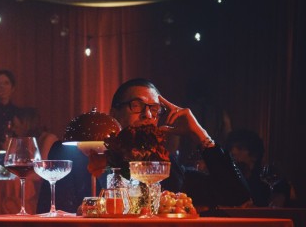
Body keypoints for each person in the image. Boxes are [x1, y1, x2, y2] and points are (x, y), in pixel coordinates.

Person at [92, 78, 251, 211]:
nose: (147, 114)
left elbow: (236, 196)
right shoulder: (94, 156)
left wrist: (199, 134)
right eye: (136, 105)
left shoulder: (168, 169)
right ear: (114, 114)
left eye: (154, 109)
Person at [224, 128, 293, 207]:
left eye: (240, 148)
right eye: (231, 148)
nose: (233, 152)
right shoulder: (230, 177)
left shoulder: (267, 179)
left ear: (254, 155)